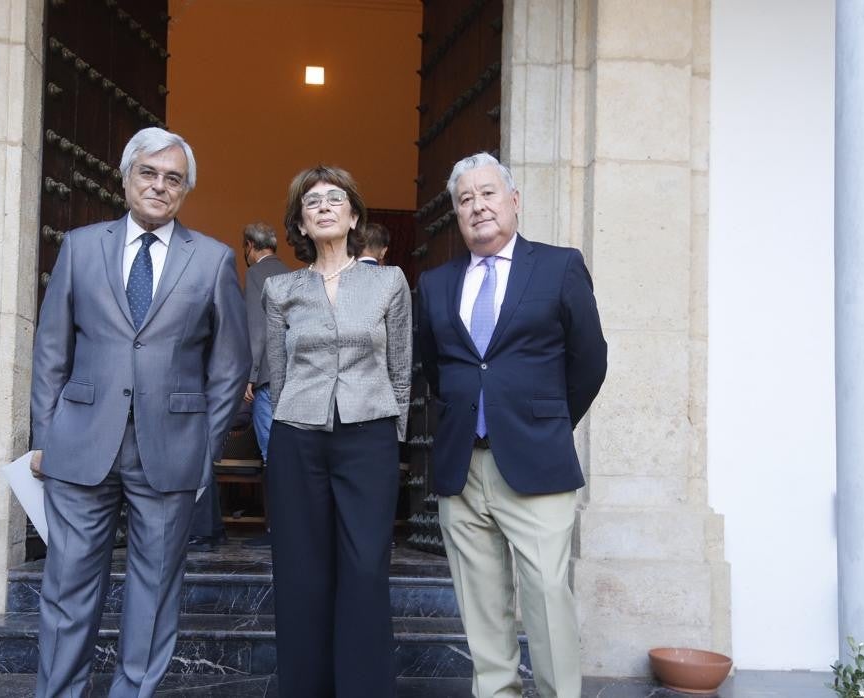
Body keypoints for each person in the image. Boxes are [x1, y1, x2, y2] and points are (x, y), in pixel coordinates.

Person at [30, 127, 250, 697]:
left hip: (171, 452)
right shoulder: (80, 246)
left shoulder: (213, 259)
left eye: (173, 178)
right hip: (79, 446)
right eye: (148, 173)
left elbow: (229, 367)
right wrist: (45, 438)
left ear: (185, 190)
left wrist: (205, 451)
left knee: (154, 592)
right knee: (67, 587)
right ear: (126, 178)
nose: (159, 185)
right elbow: (52, 350)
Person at [414, 152, 607, 698]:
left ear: (514, 201)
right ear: (455, 213)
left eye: (488, 193)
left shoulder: (558, 266)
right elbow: (436, 366)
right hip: (461, 469)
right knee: (480, 608)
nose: (477, 206)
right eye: (465, 199)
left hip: (537, 464)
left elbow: (590, 359)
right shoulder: (435, 283)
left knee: (546, 598)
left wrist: (543, 422)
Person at [263, 165, 411, 697]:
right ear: (300, 223)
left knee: (365, 570)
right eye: (311, 202)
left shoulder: (388, 282)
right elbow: (277, 375)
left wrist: (392, 434)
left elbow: (400, 366)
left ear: (353, 215)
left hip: (368, 437)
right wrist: (288, 422)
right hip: (297, 436)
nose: (323, 206)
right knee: (301, 572)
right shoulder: (281, 289)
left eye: (334, 199)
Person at [240, 221, 291, 548]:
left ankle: (278, 529)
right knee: (288, 452)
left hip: (269, 376)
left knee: (272, 454)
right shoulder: (291, 273)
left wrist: (251, 374)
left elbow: (258, 330)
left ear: (249, 246)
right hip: (295, 375)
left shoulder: (256, 275)